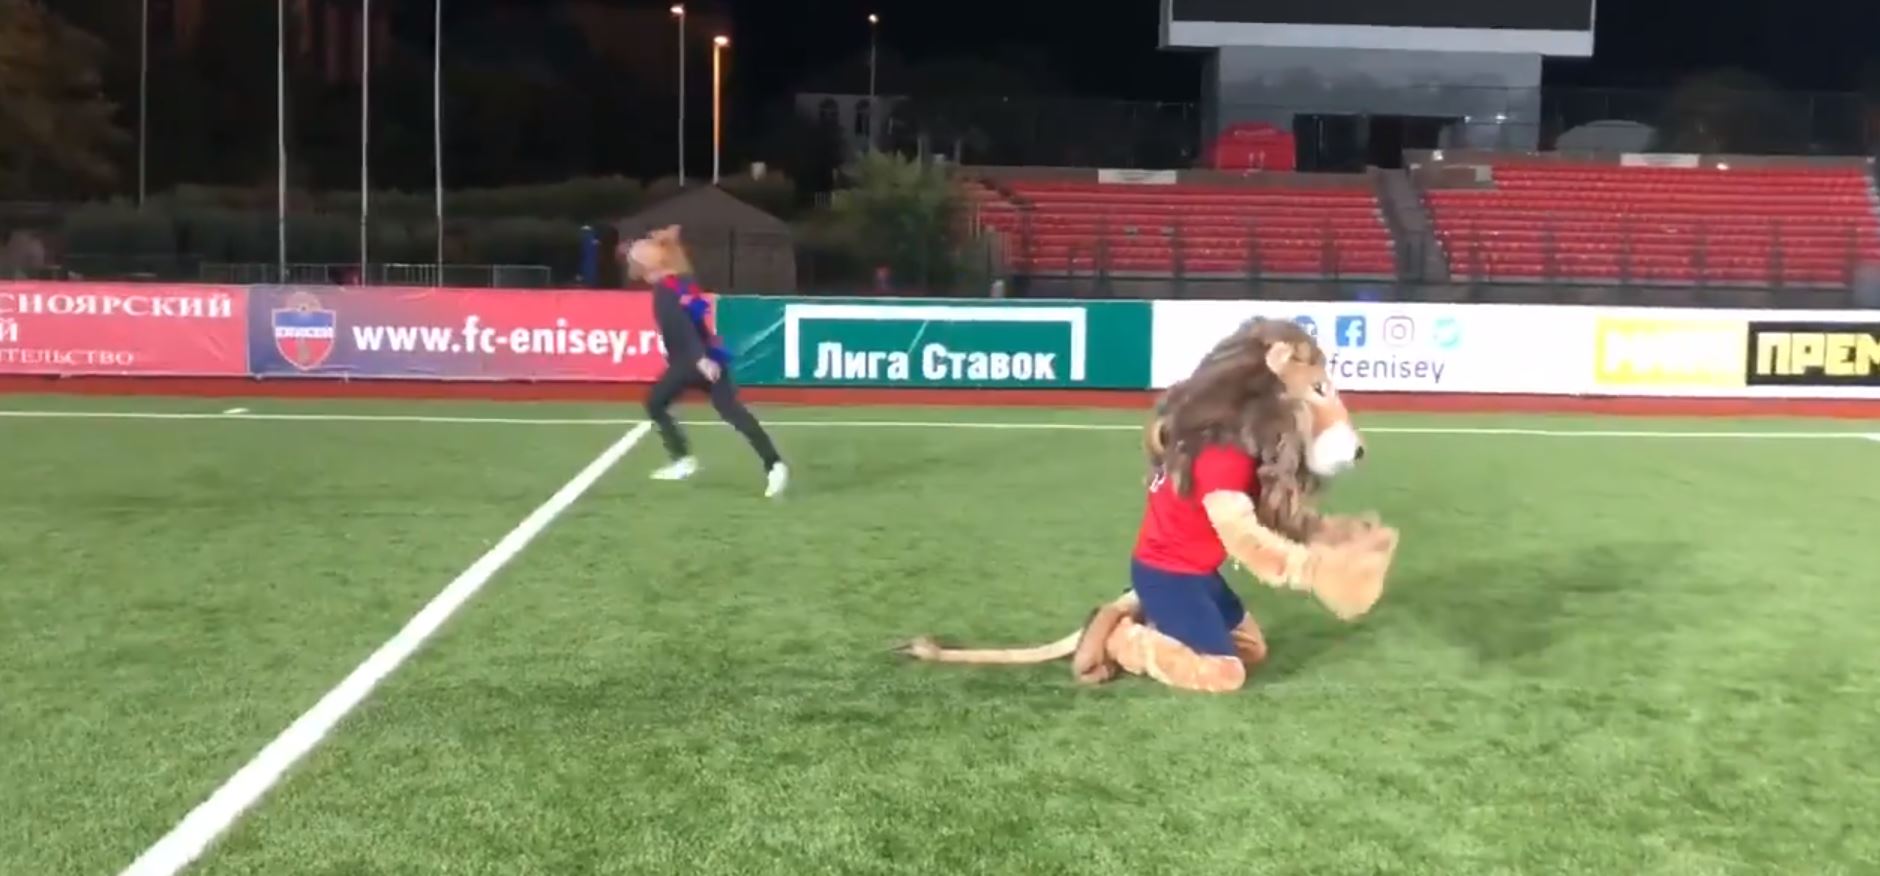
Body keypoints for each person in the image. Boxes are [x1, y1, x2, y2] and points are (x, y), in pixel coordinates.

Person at [623, 225, 789, 498]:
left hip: (691, 362)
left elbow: (681, 325)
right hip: (710, 356)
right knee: (732, 412)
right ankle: (774, 464)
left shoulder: (665, 290)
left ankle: (682, 459)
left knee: (655, 403)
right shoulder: (682, 282)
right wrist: (707, 355)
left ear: (647, 266)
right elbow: (697, 319)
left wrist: (698, 358)